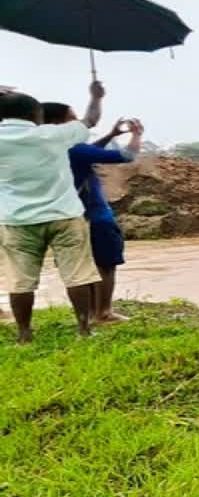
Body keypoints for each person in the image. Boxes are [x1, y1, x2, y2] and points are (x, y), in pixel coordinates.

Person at [0, 83, 106, 343]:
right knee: (77, 274)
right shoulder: (51, 135)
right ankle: (83, 329)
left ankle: (24, 334)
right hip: (64, 215)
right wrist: (95, 96)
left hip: (17, 219)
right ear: (35, 115)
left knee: (21, 280)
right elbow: (90, 120)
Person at [41, 104, 144, 323]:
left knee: (77, 267)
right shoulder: (74, 147)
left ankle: (86, 315)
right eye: (73, 118)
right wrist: (137, 135)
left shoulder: (45, 149)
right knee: (105, 264)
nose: (78, 122)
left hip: (62, 216)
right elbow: (127, 155)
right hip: (94, 215)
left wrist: (110, 135)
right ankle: (103, 312)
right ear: (58, 123)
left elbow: (87, 154)